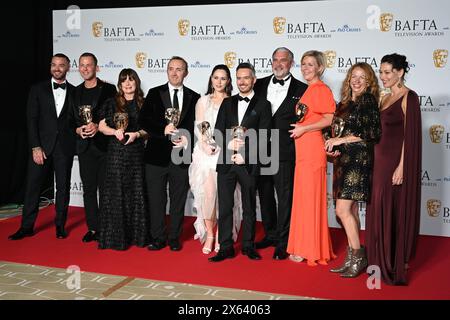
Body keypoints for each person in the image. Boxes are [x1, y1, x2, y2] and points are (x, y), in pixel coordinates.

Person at [365, 53, 422, 285]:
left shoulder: (410, 98)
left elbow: (410, 137)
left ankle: (392, 261)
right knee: (376, 208)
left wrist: (402, 166)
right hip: (377, 162)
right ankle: (377, 260)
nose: (383, 76)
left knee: (391, 208)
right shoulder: (383, 98)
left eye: (387, 72)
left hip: (393, 164)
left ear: (400, 72)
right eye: (381, 72)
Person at [209, 63, 272, 262]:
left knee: (249, 207)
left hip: (249, 163)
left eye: (246, 78)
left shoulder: (263, 104)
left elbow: (265, 135)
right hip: (227, 162)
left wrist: (246, 154)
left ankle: (248, 245)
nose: (242, 81)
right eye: (238, 78)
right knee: (225, 206)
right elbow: (217, 131)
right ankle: (225, 247)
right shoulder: (227, 103)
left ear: (253, 80)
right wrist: (228, 144)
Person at [8, 53, 75, 240]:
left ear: (68, 67)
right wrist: (35, 147)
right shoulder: (37, 89)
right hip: (41, 148)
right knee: (33, 187)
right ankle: (26, 227)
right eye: (54, 64)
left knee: (63, 188)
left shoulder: (75, 91)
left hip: (64, 147)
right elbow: (31, 120)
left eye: (61, 65)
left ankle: (60, 226)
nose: (57, 68)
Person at [324, 62, 381, 277]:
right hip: (343, 161)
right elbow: (335, 131)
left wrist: (340, 140)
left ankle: (358, 256)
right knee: (352, 211)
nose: (356, 81)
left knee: (341, 210)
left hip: (358, 161)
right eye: (353, 76)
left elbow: (371, 133)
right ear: (348, 79)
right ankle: (352, 257)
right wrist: (334, 146)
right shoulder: (344, 104)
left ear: (368, 83)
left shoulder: (368, 101)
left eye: (362, 78)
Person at [139, 56, 200, 252]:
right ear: (167, 71)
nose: (175, 73)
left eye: (179, 69)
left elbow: (196, 126)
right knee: (156, 200)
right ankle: (158, 237)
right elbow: (144, 120)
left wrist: (187, 138)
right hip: (156, 157)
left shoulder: (194, 96)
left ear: (186, 73)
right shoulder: (154, 93)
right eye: (171, 69)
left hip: (181, 156)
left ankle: (174, 237)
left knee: (178, 199)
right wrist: (162, 130)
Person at [253, 47, 308, 260]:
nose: (278, 63)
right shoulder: (258, 84)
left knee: (285, 197)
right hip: (260, 150)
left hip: (285, 150)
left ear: (291, 63)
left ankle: (284, 242)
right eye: (275, 59)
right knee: (265, 195)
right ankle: (271, 234)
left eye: (283, 60)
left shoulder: (302, 89)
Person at [287, 50, 336, 266]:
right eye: (303, 64)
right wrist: (302, 130)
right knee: (304, 198)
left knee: (310, 199)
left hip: (312, 148)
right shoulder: (310, 90)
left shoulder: (321, 89)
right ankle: (303, 245)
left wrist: (304, 128)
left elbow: (329, 119)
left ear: (320, 68)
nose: (306, 68)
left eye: (310, 64)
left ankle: (310, 248)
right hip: (303, 150)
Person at [189, 64, 243, 254]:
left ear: (228, 81)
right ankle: (210, 234)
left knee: (225, 197)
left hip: (225, 152)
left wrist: (221, 145)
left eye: (223, 78)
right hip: (205, 154)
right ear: (211, 79)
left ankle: (222, 233)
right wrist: (205, 144)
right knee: (208, 196)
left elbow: (234, 129)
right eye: (216, 77)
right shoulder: (203, 101)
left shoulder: (233, 102)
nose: (219, 82)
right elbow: (201, 125)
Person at [97, 68, 148, 250]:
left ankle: (137, 236)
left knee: (136, 193)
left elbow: (149, 129)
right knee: (116, 194)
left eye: (131, 80)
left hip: (136, 154)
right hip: (116, 154)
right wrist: (114, 132)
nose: (127, 84)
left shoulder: (144, 103)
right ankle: (115, 238)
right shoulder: (111, 103)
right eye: (124, 80)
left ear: (136, 82)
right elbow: (101, 126)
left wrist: (136, 134)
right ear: (119, 84)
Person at [68, 52, 117, 243]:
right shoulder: (74, 92)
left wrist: (99, 125)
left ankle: (106, 227)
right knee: (88, 190)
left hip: (105, 147)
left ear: (96, 67)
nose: (85, 68)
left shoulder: (109, 89)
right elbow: (70, 120)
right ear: (78, 68)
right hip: (85, 147)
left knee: (106, 189)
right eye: (82, 65)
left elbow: (116, 115)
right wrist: (79, 129)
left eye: (89, 65)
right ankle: (93, 228)